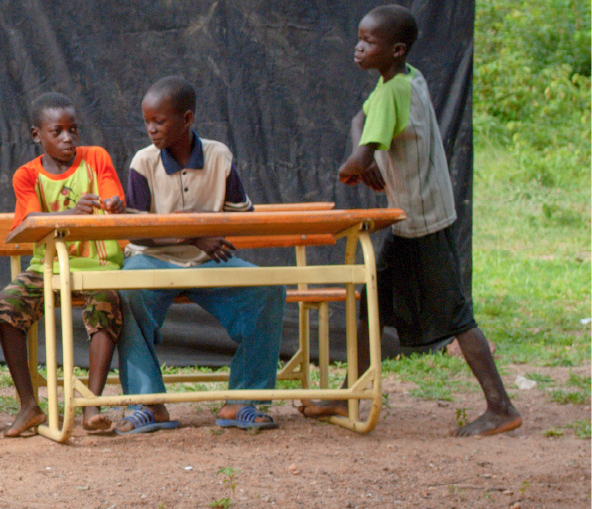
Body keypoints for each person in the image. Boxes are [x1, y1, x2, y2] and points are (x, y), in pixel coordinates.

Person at [306, 4, 520, 436]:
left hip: (424, 221)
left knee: (457, 315)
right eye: (359, 38)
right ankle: (351, 391)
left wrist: (356, 164)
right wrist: (365, 154)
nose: (358, 47)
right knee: (370, 302)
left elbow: (352, 163)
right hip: (410, 219)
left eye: (369, 42)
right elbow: (359, 120)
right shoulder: (406, 77)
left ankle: (501, 407)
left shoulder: (391, 93)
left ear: (397, 49)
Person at [115, 76, 283, 434]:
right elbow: (138, 233)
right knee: (127, 292)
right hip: (153, 258)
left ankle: (242, 401)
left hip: (208, 259)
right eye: (146, 122)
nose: (151, 130)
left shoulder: (219, 155)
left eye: (159, 122)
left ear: (187, 119)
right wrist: (195, 234)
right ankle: (148, 404)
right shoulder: (143, 162)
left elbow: (242, 215)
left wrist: (210, 237)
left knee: (267, 290)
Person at [0, 93, 128, 437]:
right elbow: (28, 221)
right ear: (37, 135)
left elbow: (114, 196)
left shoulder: (96, 159)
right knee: (7, 306)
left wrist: (114, 204)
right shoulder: (27, 175)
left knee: (107, 303)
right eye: (58, 131)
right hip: (48, 268)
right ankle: (28, 405)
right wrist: (69, 214)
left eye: (73, 130)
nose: (68, 138)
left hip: (99, 267)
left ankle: (91, 404)